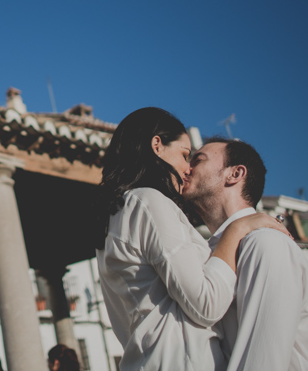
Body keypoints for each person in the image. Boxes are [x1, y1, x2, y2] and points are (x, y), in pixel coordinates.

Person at [95, 108, 287, 371]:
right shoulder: (148, 202)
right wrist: (238, 228)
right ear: (157, 146)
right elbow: (206, 304)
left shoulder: (119, 212)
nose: (188, 168)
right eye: (185, 155)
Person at [183, 138, 308, 371]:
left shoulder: (265, 243)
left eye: (198, 159)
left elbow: (262, 361)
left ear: (235, 174)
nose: (187, 168)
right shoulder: (214, 253)